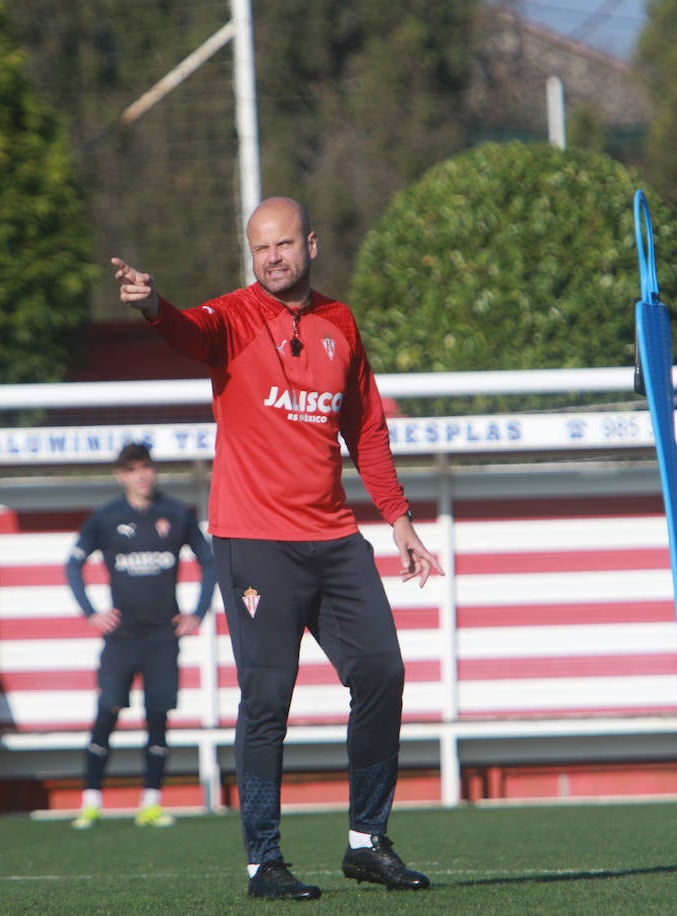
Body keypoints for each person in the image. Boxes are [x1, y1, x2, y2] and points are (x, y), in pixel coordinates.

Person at [112, 196, 444, 900]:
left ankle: (367, 841)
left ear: (311, 245)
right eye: (260, 247)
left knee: (382, 672)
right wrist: (153, 305)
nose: (272, 257)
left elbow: (368, 431)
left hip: (333, 537)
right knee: (268, 695)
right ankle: (265, 861)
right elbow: (186, 332)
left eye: (284, 244)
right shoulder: (229, 318)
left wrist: (399, 519)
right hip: (255, 540)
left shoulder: (341, 323)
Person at [64, 442, 217, 830]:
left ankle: (151, 802)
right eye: (133, 469)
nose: (142, 475)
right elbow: (73, 564)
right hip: (123, 636)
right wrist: (91, 612)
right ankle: (91, 800)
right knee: (109, 708)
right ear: (121, 476)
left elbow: (210, 561)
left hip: (162, 637)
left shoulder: (176, 513)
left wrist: (196, 613)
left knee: (158, 714)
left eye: (147, 467)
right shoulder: (106, 517)